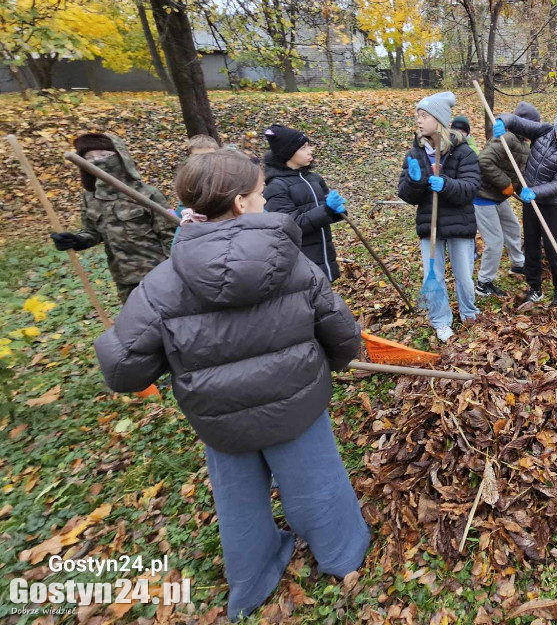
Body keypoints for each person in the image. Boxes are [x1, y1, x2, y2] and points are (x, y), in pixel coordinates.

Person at [94, 150, 370, 621]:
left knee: (239, 504)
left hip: (220, 419)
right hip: (296, 405)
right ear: (241, 203)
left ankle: (252, 579)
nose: (266, 200)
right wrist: (342, 360)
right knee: (318, 485)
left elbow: (124, 370)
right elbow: (343, 336)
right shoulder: (294, 265)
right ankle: (342, 554)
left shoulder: (161, 284)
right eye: (261, 194)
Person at [50, 133, 177, 303]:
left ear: (120, 156)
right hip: (123, 279)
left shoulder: (147, 194)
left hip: (158, 276)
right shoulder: (90, 198)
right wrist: (77, 240)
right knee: (139, 325)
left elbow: (171, 236)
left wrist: (174, 272)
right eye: (90, 158)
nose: (98, 161)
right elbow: (93, 232)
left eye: (104, 155)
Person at [398, 91, 481, 343]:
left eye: (424, 116)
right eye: (417, 116)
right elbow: (406, 195)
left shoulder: (462, 152)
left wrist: (445, 184)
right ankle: (441, 321)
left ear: (439, 119)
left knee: (465, 277)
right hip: (430, 225)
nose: (419, 121)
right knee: (432, 275)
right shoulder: (415, 154)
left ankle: (469, 312)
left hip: (460, 223)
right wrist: (415, 181)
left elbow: (470, 188)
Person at [493, 102, 557, 306]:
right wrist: (502, 121)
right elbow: (516, 122)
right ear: (556, 129)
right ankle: (535, 288)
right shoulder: (543, 132)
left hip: (551, 205)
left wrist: (535, 191)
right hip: (529, 200)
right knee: (531, 245)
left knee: (553, 247)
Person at [262, 124, 347, 282]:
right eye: (302, 148)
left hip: (324, 257)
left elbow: (323, 216)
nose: (310, 151)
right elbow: (290, 226)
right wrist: (327, 210)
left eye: (308, 146)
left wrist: (338, 211)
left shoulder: (314, 179)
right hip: (300, 265)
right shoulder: (275, 187)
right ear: (287, 153)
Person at [473, 102, 537, 297]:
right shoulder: (507, 138)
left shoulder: (523, 145)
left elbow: (515, 171)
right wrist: (504, 184)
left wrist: (521, 188)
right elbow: (484, 161)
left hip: (499, 197)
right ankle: (483, 283)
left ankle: (518, 264)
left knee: (513, 227)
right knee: (495, 241)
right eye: (532, 126)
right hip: (483, 197)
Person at [173, 135, 220, 245]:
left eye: (208, 157)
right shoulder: (186, 179)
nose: (202, 162)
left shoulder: (225, 179)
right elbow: (183, 208)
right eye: (197, 157)